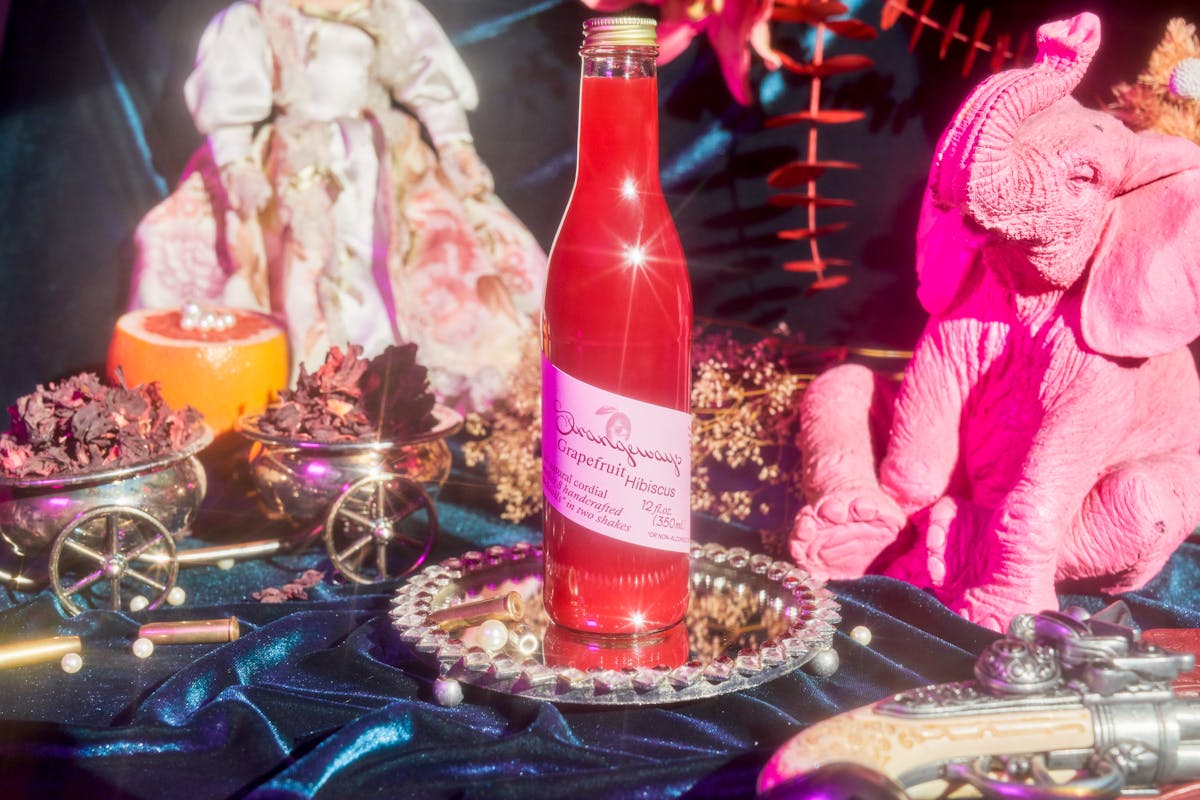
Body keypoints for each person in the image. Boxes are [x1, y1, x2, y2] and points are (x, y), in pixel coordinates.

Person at [129, 0, 546, 410]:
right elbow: (228, 100)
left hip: (380, 157)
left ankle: (409, 380)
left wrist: (456, 145)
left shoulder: (389, 12)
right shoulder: (258, 18)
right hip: (297, 159)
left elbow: (430, 82)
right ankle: (322, 387)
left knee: (420, 247)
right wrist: (237, 164)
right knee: (302, 261)